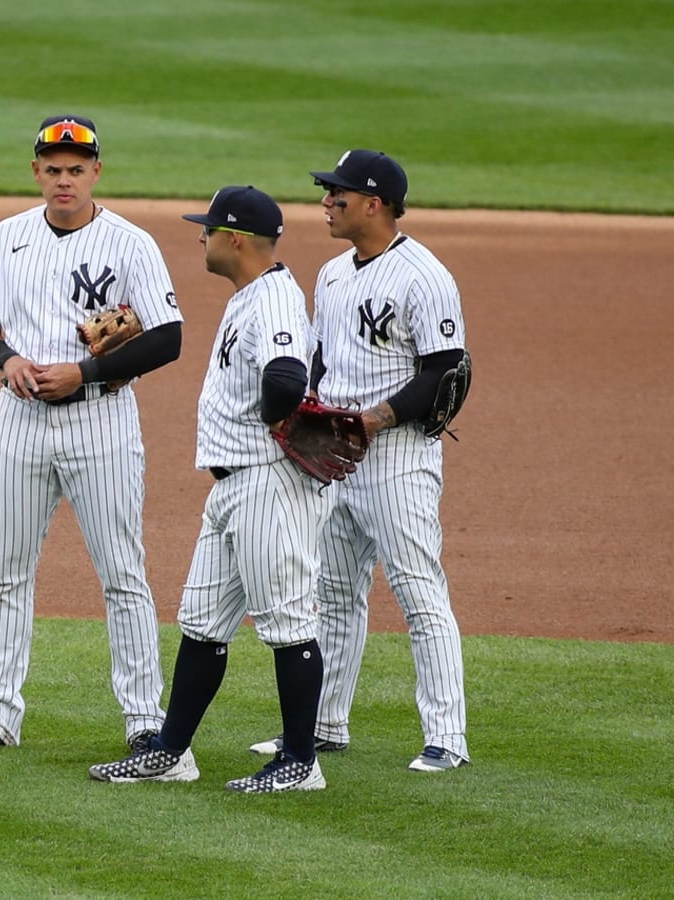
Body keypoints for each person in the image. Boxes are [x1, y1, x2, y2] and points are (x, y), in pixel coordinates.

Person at [0, 115, 183, 752]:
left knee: (122, 573)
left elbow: (168, 337)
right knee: (7, 572)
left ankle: (142, 720)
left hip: (100, 422)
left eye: (77, 169)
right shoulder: (8, 237)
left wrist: (88, 371)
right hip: (18, 423)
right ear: (36, 172)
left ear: (97, 171)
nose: (64, 180)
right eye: (53, 169)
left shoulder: (130, 243)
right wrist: (8, 360)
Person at [88, 186, 329, 793]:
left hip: (267, 485)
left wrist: (278, 421)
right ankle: (171, 752)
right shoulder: (250, 296)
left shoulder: (274, 300)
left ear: (237, 240)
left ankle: (301, 761)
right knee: (201, 622)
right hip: (232, 490)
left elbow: (286, 377)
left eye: (210, 228)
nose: (202, 236)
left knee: (288, 623)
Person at [248, 149, 471, 772]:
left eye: (337, 194)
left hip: (398, 457)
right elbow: (320, 360)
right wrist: (311, 415)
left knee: (418, 590)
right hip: (335, 455)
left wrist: (373, 419)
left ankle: (447, 738)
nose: (326, 202)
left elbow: (444, 369)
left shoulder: (424, 275)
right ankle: (324, 727)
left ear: (374, 203)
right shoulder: (333, 275)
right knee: (335, 592)